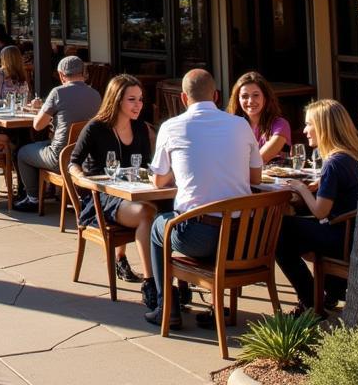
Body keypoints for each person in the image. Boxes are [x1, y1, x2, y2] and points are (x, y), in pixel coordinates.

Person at [146, 69, 263, 328]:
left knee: (158, 225)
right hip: (242, 239)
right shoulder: (241, 124)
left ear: (183, 99)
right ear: (217, 95)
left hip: (200, 237)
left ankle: (167, 306)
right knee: (174, 221)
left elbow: (158, 181)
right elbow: (256, 177)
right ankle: (213, 305)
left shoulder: (171, 127)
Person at [69, 74, 158, 309]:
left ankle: (177, 283)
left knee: (170, 210)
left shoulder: (140, 127)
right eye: (132, 99)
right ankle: (151, 283)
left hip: (132, 190)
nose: (138, 104)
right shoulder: (96, 127)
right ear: (117, 100)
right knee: (146, 214)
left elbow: (147, 165)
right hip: (102, 196)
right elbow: (73, 162)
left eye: (140, 99)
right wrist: (82, 178)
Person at [275, 99, 358, 314]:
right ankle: (329, 293)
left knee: (279, 233)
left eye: (308, 124)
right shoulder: (350, 156)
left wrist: (300, 188)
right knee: (292, 228)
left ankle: (312, 301)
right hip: (351, 232)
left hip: (339, 236)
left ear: (323, 127)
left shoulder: (333, 163)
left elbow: (321, 211)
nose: (304, 130)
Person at [14, 55, 102, 212]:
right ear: (83, 73)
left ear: (61, 75)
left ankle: (33, 198)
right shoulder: (96, 95)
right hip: (86, 159)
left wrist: (43, 109)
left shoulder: (58, 93)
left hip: (61, 158)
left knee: (22, 152)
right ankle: (56, 192)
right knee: (42, 145)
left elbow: (38, 125)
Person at [226, 71, 292, 163]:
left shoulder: (280, 125)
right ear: (238, 100)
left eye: (256, 95)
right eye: (245, 96)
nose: (250, 101)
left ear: (265, 97)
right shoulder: (231, 126)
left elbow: (258, 160)